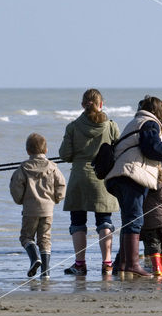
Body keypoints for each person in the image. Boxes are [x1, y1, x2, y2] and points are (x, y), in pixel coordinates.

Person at [105, 96, 162, 278]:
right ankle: (133, 264)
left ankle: (124, 264)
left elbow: (144, 149)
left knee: (129, 220)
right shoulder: (150, 123)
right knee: (135, 220)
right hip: (131, 177)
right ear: (159, 112)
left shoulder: (136, 121)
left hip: (119, 176)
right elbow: (151, 147)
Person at [59, 89, 120, 276]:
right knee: (104, 221)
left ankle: (80, 264)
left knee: (78, 222)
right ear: (101, 104)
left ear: (82, 105)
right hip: (102, 177)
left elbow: (64, 155)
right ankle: (107, 263)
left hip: (79, 178)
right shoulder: (111, 126)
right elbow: (119, 150)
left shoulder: (73, 127)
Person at [10, 133, 66, 278]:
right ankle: (46, 273)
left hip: (30, 210)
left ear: (28, 151)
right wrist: (56, 198)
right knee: (45, 239)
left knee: (26, 237)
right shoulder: (53, 167)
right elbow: (61, 184)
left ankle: (35, 258)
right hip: (48, 210)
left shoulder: (23, 168)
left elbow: (15, 186)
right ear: (46, 150)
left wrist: (20, 200)